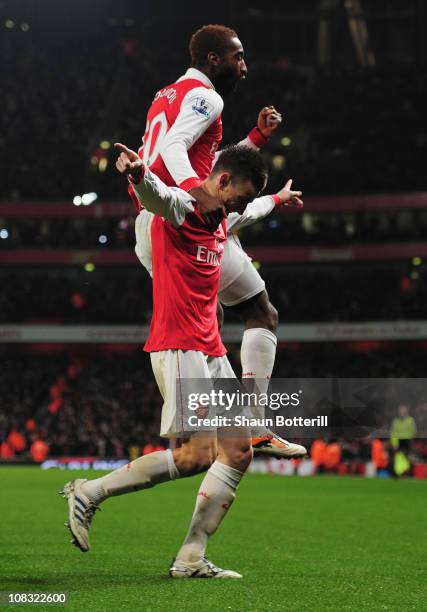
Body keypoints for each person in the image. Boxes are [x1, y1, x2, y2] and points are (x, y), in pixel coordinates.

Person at [60, 144, 303, 578]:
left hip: (210, 350)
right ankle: (90, 492)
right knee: (196, 455)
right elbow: (156, 195)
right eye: (238, 197)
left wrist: (277, 200)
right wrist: (137, 174)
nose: (239, 208)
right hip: (179, 348)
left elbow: (253, 211)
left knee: (237, 451)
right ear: (222, 180)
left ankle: (191, 556)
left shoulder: (223, 218)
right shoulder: (183, 207)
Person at [128, 23, 306, 459]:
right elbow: (176, 149)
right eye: (237, 57)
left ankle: (222, 424)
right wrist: (199, 192)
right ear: (213, 59)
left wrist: (255, 140)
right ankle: (253, 424)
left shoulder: (165, 95)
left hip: (153, 222)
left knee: (212, 321)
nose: (243, 67)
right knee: (261, 313)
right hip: (184, 222)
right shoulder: (210, 96)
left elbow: (210, 164)